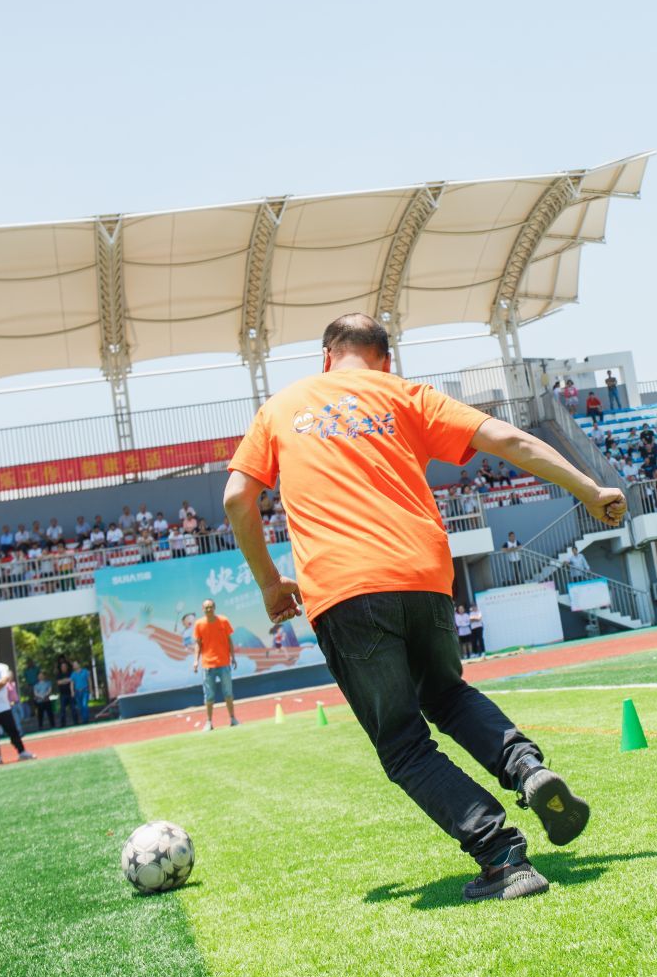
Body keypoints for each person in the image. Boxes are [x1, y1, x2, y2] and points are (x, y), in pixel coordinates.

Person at [224, 313, 625, 903]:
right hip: (424, 575)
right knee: (447, 693)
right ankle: (526, 769)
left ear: (326, 356)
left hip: (344, 591)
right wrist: (591, 490)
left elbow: (238, 497)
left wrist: (268, 584)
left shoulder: (282, 407)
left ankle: (503, 857)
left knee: (403, 741)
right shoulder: (407, 394)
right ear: (386, 359)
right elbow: (510, 441)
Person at [0, 646, 36, 766]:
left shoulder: (2, 667)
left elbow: (4, 682)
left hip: (3, 708)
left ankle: (22, 751)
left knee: (13, 732)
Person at [193, 599, 239, 730]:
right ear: (203, 609)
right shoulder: (199, 624)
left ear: (215, 608)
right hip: (207, 666)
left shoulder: (223, 621)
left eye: (211, 607)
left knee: (228, 693)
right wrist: (196, 661)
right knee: (209, 696)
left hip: (224, 663)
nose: (209, 609)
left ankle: (233, 719)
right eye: (206, 607)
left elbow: (229, 640)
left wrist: (233, 657)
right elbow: (198, 644)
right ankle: (209, 722)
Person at [56, 658, 76, 727]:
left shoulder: (70, 673)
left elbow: (71, 680)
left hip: (70, 694)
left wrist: (63, 681)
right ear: (61, 668)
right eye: (62, 667)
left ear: (67, 667)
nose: (63, 668)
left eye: (65, 666)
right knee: (62, 710)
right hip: (63, 695)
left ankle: (76, 722)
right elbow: (58, 682)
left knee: (73, 708)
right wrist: (67, 680)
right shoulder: (59, 675)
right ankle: (63, 724)